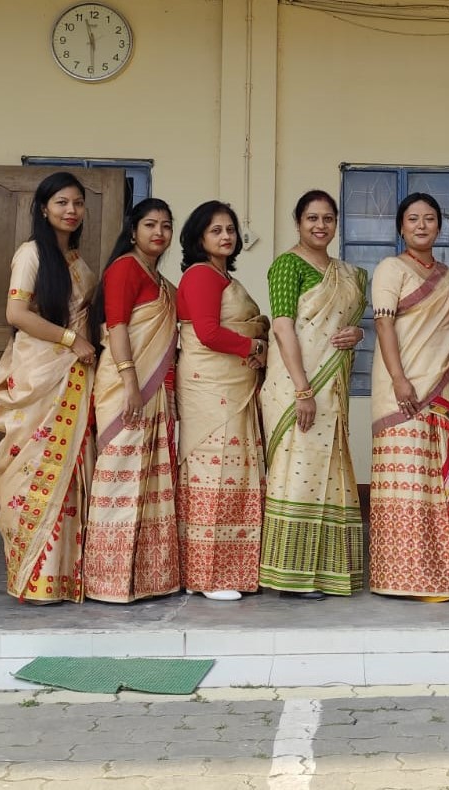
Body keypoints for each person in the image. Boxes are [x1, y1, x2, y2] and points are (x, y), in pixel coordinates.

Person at [0, 172, 97, 604]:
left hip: (75, 374)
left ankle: (63, 575)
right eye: (61, 203)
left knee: (72, 471)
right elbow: (16, 313)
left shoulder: (74, 259)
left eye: (77, 203)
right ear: (43, 208)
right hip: (42, 372)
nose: (71, 210)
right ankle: (33, 576)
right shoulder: (31, 253)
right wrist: (73, 340)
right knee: (32, 468)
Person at [259, 190, 367, 600]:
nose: (320, 226)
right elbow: (282, 327)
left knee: (329, 474)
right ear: (298, 223)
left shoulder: (349, 274)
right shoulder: (287, 265)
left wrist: (357, 334)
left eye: (327, 218)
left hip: (332, 388)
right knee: (297, 474)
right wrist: (303, 389)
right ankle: (291, 576)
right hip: (296, 387)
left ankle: (327, 572)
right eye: (312, 218)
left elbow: (348, 324)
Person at [369, 193, 449, 603]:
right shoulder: (390, 268)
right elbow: (384, 326)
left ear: (439, 227)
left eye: (429, 219)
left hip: (437, 390)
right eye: (413, 219)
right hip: (400, 390)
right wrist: (399, 379)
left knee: (433, 485)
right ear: (401, 227)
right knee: (404, 483)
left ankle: (436, 573)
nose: (422, 225)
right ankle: (397, 576)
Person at [84, 198, 181, 603]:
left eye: (166, 225)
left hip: (153, 390)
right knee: (119, 478)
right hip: (126, 387)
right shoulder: (124, 268)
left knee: (151, 479)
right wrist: (130, 383)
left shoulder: (164, 284)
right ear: (133, 231)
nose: (159, 232)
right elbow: (117, 327)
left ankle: (149, 578)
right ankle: (107, 582)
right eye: (150, 225)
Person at [175, 201, 270, 602]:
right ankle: (207, 575)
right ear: (199, 237)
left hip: (233, 385)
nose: (226, 236)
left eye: (230, 229)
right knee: (213, 478)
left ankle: (233, 569)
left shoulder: (222, 277)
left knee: (235, 476)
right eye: (216, 230)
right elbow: (209, 334)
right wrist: (255, 345)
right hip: (211, 388)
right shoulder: (200, 275)